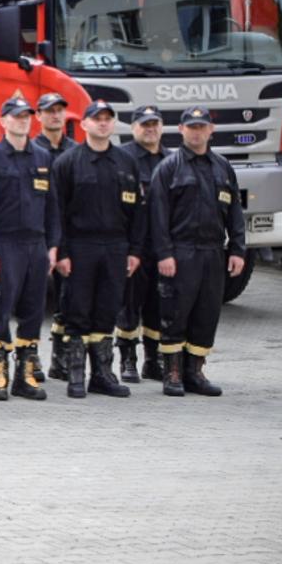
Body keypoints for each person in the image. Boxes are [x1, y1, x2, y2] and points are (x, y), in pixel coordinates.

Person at [147, 106, 245, 397]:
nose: (197, 132)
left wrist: (238, 249)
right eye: (192, 127)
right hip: (181, 252)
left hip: (213, 252)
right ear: (181, 130)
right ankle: (172, 373)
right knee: (176, 311)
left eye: (202, 127)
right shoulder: (168, 168)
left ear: (211, 130)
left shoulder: (222, 167)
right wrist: (164, 253)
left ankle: (195, 371)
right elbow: (158, 215)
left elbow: (235, 213)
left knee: (207, 312)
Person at [0, 95, 59, 402]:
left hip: (35, 244)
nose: (22, 121)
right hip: (5, 245)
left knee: (33, 311)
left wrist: (53, 246)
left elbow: (52, 207)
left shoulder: (42, 158)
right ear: (3, 122)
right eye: (16, 116)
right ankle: (0, 373)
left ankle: (26, 375)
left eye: (26, 116)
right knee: (0, 308)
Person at [50, 99, 141, 399]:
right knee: (77, 310)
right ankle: (76, 375)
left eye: (107, 119)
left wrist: (134, 251)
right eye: (96, 118)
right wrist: (61, 252)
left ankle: (102, 374)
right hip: (80, 246)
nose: (102, 123)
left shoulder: (126, 162)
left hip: (116, 246)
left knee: (107, 310)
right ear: (84, 124)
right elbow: (57, 212)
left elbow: (138, 212)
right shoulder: (68, 162)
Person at [116, 106, 167, 383]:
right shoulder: (122, 159)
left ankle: (153, 359)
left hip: (160, 246)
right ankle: (127, 359)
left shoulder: (171, 160)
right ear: (133, 127)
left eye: (154, 124)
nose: (150, 129)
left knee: (157, 305)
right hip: (133, 245)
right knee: (129, 304)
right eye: (144, 124)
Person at [33, 92, 77, 381]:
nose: (55, 116)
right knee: (34, 302)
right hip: (38, 237)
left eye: (60, 111)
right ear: (39, 116)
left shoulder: (75, 152)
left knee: (68, 300)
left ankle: (60, 360)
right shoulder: (31, 150)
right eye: (49, 111)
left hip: (72, 239)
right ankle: (30, 358)